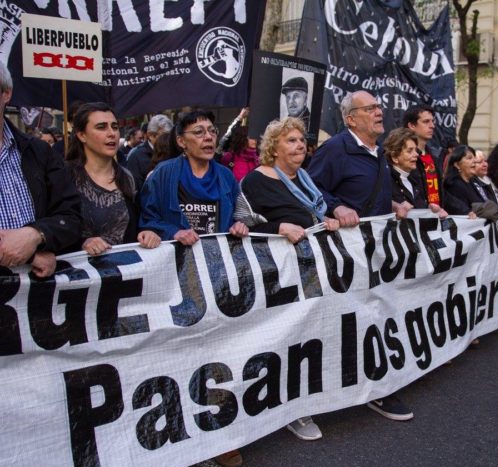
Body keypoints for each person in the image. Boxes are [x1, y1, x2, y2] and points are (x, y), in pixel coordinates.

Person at [307, 90, 413, 421]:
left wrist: (393, 204)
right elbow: (308, 188)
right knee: (351, 320)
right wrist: (335, 206)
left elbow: (369, 192)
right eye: (371, 108)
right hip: (343, 254)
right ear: (351, 118)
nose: (379, 112)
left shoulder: (378, 152)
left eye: (379, 106)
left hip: (374, 252)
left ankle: (377, 386)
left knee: (376, 315)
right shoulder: (336, 149)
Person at [234, 117, 341, 442]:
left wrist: (325, 219)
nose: (300, 146)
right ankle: (288, 409)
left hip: (311, 273)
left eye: (301, 141)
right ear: (273, 147)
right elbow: (239, 228)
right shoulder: (255, 181)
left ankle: (303, 399)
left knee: (310, 338)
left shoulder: (305, 179)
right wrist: (278, 229)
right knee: (284, 342)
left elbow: (310, 214)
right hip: (277, 279)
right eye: (291, 140)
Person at [0, 60, 81, 278]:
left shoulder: (38, 152)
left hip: (36, 296)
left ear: (6, 94)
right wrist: (24, 254)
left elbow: (70, 216)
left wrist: (37, 234)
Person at [139, 110, 249, 245]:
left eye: (212, 131)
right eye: (199, 132)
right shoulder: (163, 174)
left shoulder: (226, 176)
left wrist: (238, 226)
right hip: (178, 261)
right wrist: (174, 232)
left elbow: (239, 215)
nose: (209, 137)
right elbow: (147, 220)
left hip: (216, 259)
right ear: (181, 141)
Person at [65, 102, 160, 254]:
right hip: (81, 272)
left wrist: (147, 231)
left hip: (126, 270)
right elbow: (55, 227)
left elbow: (142, 220)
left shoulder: (128, 178)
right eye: (101, 127)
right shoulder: (65, 177)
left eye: (115, 127)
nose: (112, 133)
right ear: (82, 135)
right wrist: (82, 243)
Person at [384, 127, 447, 217]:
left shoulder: (414, 181)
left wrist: (430, 210)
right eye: (410, 151)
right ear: (394, 157)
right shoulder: (385, 181)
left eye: (415, 150)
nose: (416, 154)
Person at [402, 105, 443, 207]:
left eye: (432, 121)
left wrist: (466, 211)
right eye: (426, 122)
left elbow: (441, 192)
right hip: (416, 218)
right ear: (412, 125)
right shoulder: (403, 157)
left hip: (436, 217)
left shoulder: (433, 157)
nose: (432, 125)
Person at [127, 114, 173, 188]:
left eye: (170, 136)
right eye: (164, 136)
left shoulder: (173, 151)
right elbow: (135, 189)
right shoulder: (136, 156)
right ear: (151, 135)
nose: (168, 140)